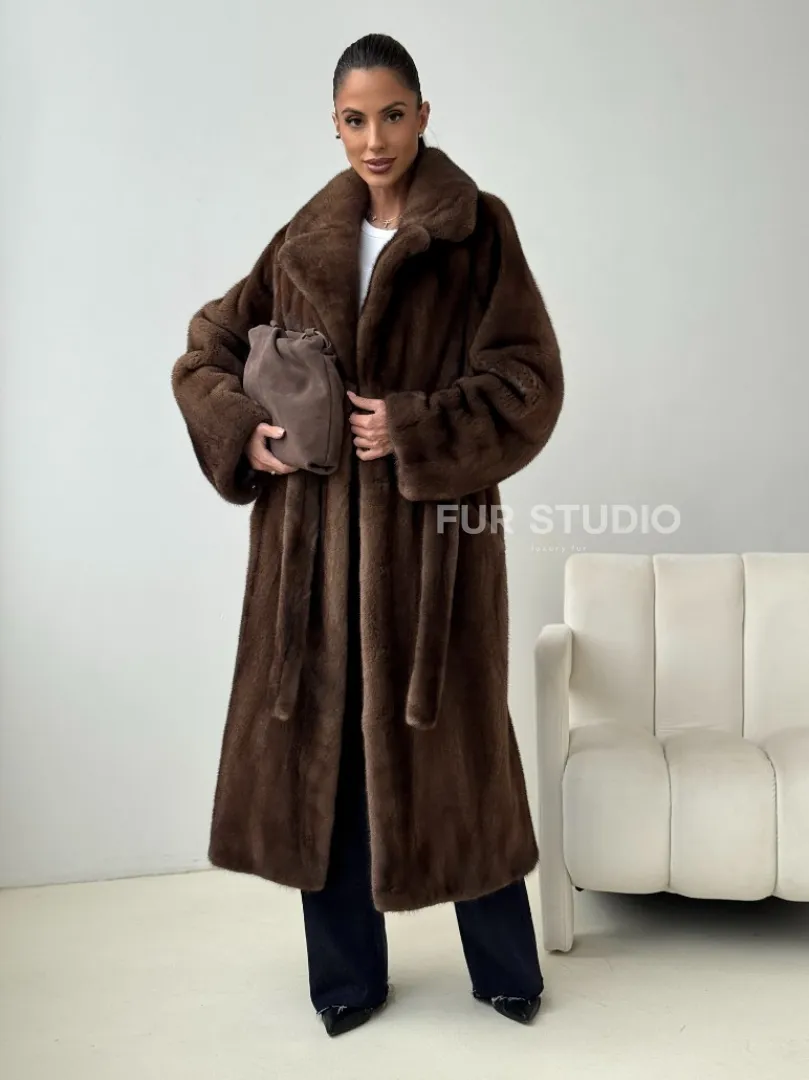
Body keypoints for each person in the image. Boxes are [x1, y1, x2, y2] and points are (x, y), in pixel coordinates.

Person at [171, 33, 564, 1038]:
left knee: (460, 744)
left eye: (392, 115)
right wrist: (244, 434)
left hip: (433, 553)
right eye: (355, 119)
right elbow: (206, 350)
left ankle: (504, 970)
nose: (375, 138)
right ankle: (345, 980)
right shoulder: (301, 239)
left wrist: (415, 425)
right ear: (335, 125)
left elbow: (528, 383)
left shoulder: (476, 231)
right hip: (308, 553)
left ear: (423, 115)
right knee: (328, 753)